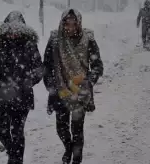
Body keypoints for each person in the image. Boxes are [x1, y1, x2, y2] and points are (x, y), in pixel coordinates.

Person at [43, 9, 104, 164]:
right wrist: (51, 86)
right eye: (67, 23)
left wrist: (88, 81)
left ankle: (76, 159)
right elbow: (47, 66)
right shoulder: (55, 40)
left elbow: (97, 65)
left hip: (80, 91)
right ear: (62, 23)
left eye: (74, 23)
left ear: (79, 24)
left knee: (77, 130)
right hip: (61, 90)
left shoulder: (87, 39)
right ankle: (68, 147)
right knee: (61, 128)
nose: (70, 27)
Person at [0, 11, 43, 164]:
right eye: (11, 28)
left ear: (23, 29)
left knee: (17, 132)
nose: (14, 32)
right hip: (2, 95)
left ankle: (15, 160)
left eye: (18, 29)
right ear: (6, 28)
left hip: (22, 97)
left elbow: (38, 70)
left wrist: (25, 83)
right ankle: (13, 154)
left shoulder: (30, 45)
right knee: (2, 131)